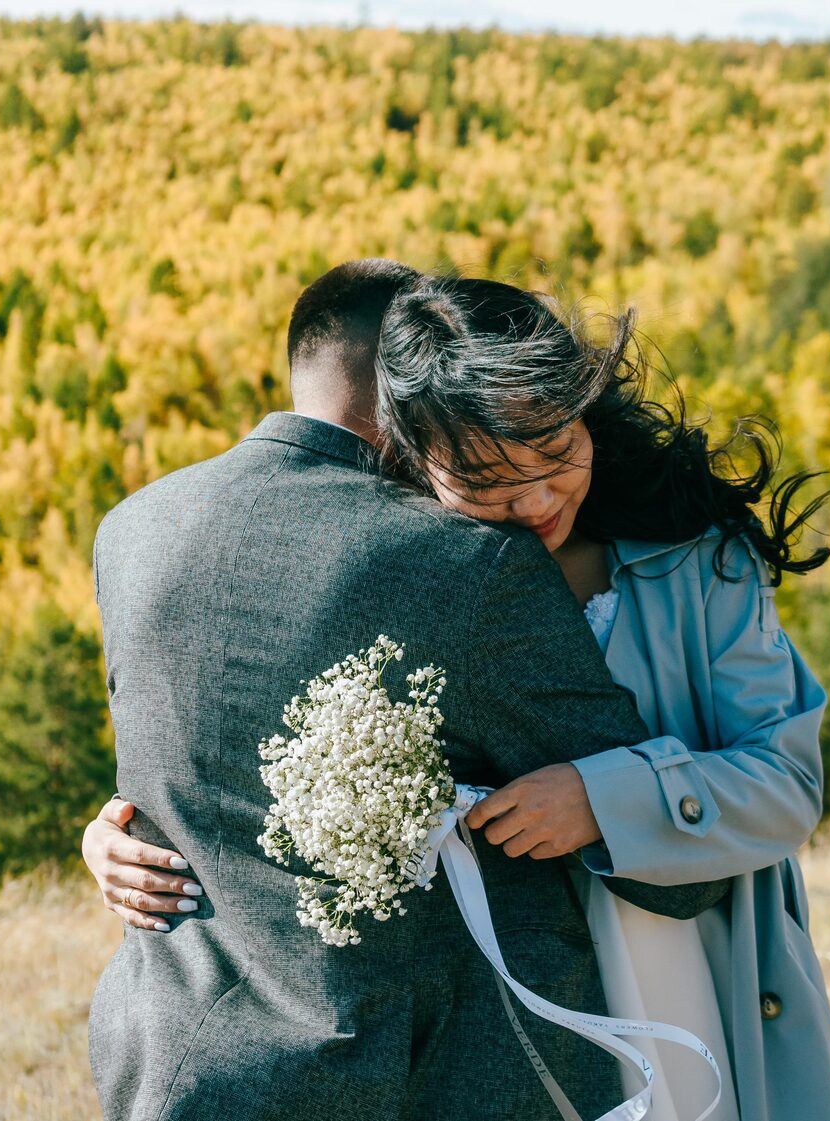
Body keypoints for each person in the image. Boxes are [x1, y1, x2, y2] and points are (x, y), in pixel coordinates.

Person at [84, 259, 725, 1121]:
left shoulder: (131, 529)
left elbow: (186, 774)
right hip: (429, 1076)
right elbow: (674, 877)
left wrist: (104, 832)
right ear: (412, 397)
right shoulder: (472, 565)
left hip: (175, 1063)